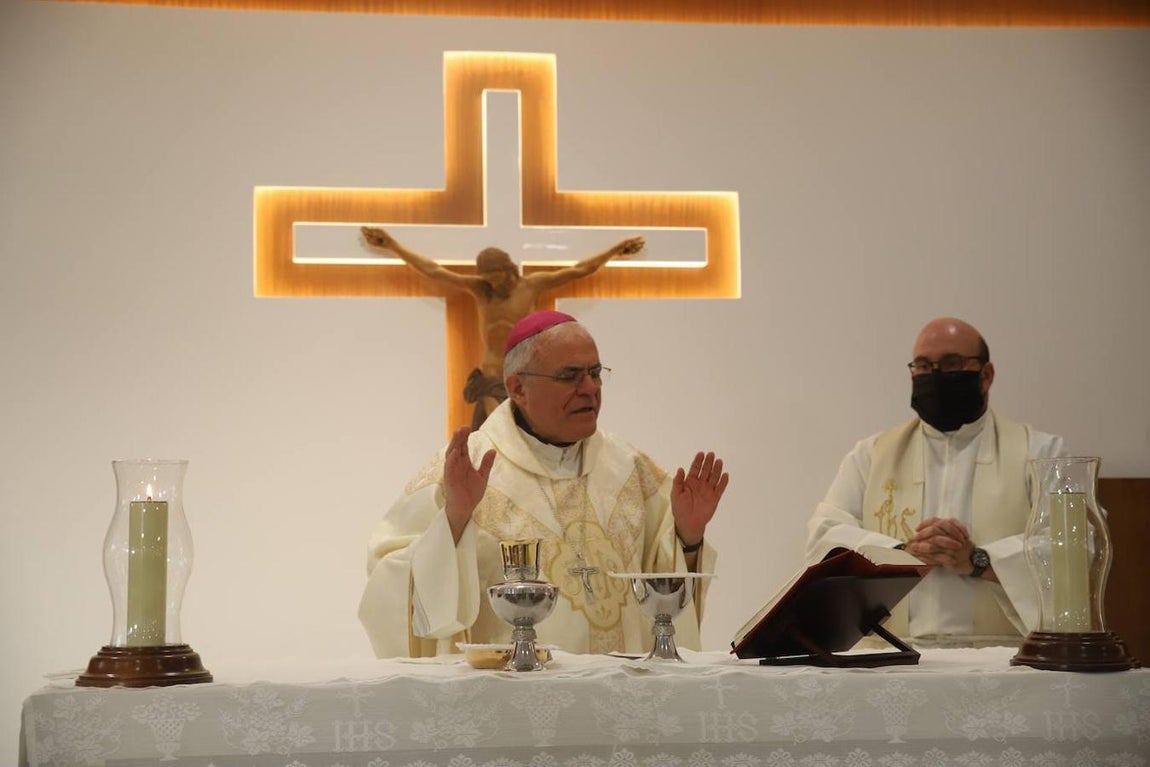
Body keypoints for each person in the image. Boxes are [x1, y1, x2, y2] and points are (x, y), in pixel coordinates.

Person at [358, 310, 729, 658]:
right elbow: (388, 588)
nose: (590, 388)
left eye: (595, 373)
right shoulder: (464, 470)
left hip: (624, 693)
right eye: (570, 376)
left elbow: (664, 604)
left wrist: (688, 537)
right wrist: (454, 518)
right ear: (518, 388)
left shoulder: (630, 468)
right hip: (509, 697)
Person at [807, 317, 1065, 647]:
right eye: (923, 366)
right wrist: (901, 555)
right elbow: (824, 535)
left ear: (986, 375)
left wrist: (979, 560)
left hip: (1003, 654)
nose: (935, 375)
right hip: (891, 654)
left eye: (952, 363)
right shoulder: (871, 455)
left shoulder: (1041, 453)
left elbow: (1071, 546)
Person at [361, 227, 644, 427]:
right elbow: (434, 271)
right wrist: (392, 245)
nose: (492, 283)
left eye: (496, 276)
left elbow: (578, 270)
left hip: (525, 377)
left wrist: (614, 251)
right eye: (487, 277)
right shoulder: (480, 289)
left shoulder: (531, 286)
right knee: (491, 438)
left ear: (508, 269)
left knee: (522, 441)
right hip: (492, 375)